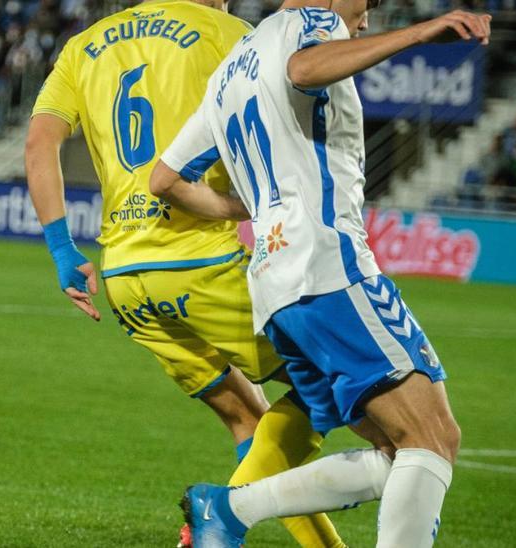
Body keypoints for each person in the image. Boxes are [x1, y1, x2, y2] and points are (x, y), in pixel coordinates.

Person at [151, 3, 487, 546]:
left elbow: (164, 178)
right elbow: (303, 70)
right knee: (432, 438)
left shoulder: (229, 69)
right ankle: (230, 510)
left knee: (401, 450)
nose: (368, 19)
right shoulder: (312, 19)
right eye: (368, 5)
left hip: (275, 285)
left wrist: (251, 210)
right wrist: (423, 32)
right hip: (328, 264)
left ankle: (230, 509)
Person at [24, 1, 343, 546]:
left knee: (248, 416)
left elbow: (38, 144)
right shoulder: (230, 33)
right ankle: (223, 512)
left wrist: (60, 250)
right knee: (337, 382)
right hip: (200, 262)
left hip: (125, 276)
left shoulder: (85, 45)